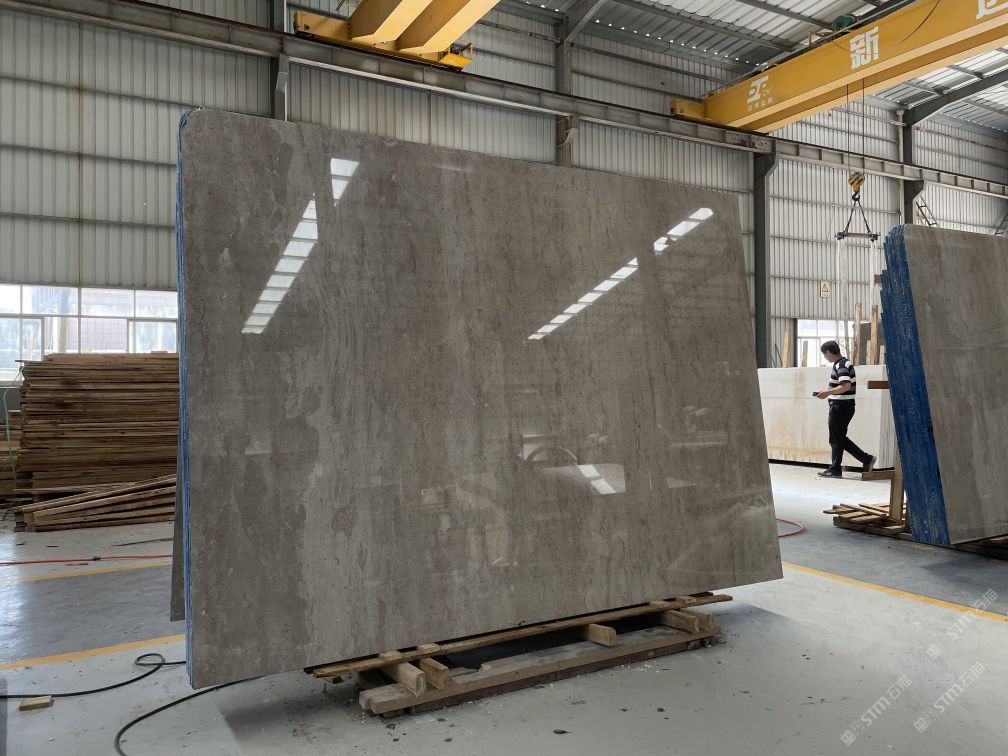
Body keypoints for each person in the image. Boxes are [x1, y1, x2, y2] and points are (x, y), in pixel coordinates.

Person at [814, 341, 875, 478]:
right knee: (838, 438)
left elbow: (846, 386)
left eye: (824, 355)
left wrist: (827, 393)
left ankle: (836, 469)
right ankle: (866, 459)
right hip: (844, 406)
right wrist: (828, 392)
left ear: (828, 352)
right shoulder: (844, 363)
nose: (825, 357)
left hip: (840, 406)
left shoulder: (841, 365)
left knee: (836, 439)